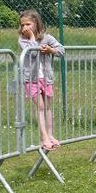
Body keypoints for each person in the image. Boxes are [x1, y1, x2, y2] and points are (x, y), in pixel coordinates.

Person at [18, 9, 65, 151]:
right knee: (40, 107)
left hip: (46, 78)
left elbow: (61, 50)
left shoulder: (47, 38)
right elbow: (32, 53)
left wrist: (51, 50)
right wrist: (32, 37)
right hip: (31, 79)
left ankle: (51, 135)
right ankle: (44, 137)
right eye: (22, 25)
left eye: (28, 24)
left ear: (36, 24)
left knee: (48, 107)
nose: (25, 28)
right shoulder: (23, 40)